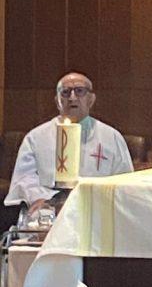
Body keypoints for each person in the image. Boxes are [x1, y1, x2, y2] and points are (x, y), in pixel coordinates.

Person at [4, 72, 133, 214]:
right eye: (65, 92)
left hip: (96, 209)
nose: (72, 98)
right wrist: (42, 198)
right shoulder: (36, 137)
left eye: (79, 91)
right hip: (48, 208)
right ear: (57, 100)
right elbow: (25, 178)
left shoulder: (111, 137)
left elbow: (125, 181)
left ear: (91, 99)